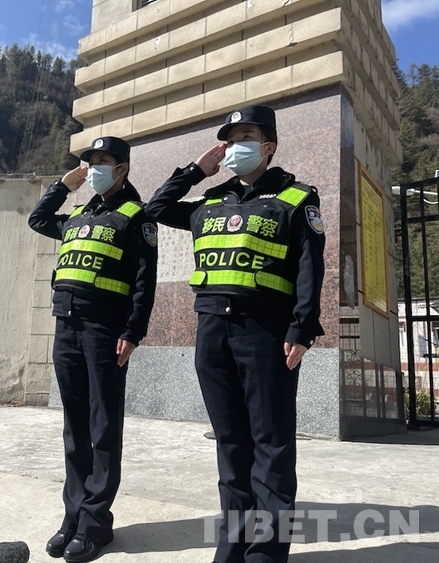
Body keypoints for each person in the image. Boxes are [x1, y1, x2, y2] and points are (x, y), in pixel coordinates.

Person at [145, 105, 325, 563]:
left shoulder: (296, 198)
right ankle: (233, 547)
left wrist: (302, 328)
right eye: (230, 138)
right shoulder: (211, 201)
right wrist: (195, 171)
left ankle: (266, 554)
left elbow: (310, 268)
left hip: (266, 333)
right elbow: (156, 209)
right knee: (230, 445)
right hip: (212, 332)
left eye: (246, 137)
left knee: (271, 447)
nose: (234, 146)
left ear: (268, 146)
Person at [28, 136, 158, 562]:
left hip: (105, 331)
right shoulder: (79, 214)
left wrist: (133, 331)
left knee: (102, 427)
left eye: (103, 161)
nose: (94, 168)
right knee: (75, 428)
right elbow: (37, 219)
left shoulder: (135, 216)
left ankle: (96, 523)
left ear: (122, 168)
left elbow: (144, 280)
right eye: (90, 161)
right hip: (66, 326)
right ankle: (73, 516)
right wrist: (64, 185)